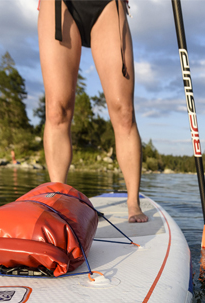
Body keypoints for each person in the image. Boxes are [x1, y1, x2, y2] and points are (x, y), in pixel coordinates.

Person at [38, 0, 148, 223]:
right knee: (57, 110)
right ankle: (58, 199)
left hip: (106, 4)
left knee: (124, 111)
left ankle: (133, 201)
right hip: (61, 5)